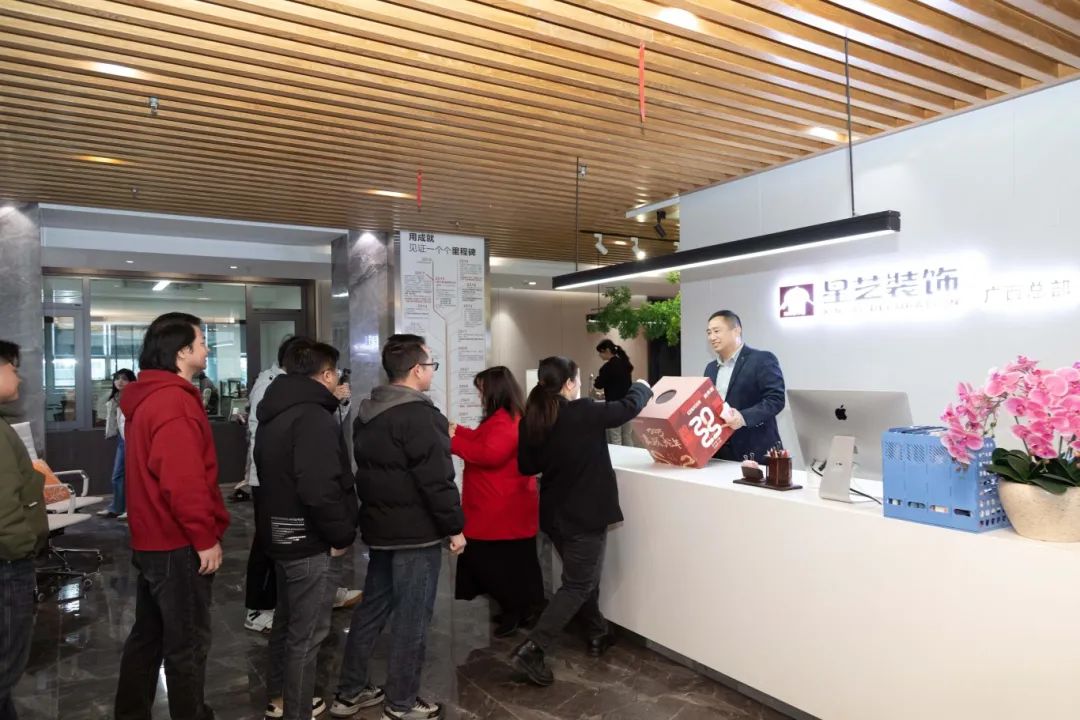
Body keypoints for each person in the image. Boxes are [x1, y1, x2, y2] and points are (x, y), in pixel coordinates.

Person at [330, 334, 465, 720]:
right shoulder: (421, 416)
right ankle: (401, 703)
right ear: (417, 370)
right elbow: (437, 480)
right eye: (430, 365)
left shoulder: (368, 411)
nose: (432, 372)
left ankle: (350, 692)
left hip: (381, 529)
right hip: (416, 535)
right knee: (412, 618)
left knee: (372, 609)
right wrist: (454, 527)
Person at [114, 312, 230, 720]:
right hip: (176, 542)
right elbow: (182, 481)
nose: (207, 349)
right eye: (201, 342)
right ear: (182, 352)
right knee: (188, 644)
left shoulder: (148, 396)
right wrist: (204, 537)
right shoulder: (173, 401)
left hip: (151, 539)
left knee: (148, 636)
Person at [509, 356, 652, 687]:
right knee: (578, 584)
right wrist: (642, 388)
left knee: (583, 579)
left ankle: (597, 632)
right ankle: (533, 648)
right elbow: (627, 408)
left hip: (554, 516)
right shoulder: (582, 411)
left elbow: (527, 467)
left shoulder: (532, 419)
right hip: (584, 516)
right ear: (569, 383)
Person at [255, 339, 359, 720]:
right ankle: (297, 710)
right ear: (327, 374)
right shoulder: (313, 416)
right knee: (307, 638)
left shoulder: (274, 411)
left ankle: (279, 699)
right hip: (310, 542)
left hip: (281, 536)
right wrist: (340, 535)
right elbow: (319, 488)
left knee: (286, 627)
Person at [239, 335, 361, 635]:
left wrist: (333, 400)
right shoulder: (274, 390)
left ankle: (315, 593)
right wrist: (342, 534)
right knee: (271, 548)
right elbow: (318, 486)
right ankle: (259, 607)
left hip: (287, 477)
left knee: (290, 555)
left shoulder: (297, 398)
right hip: (275, 480)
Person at [449, 366, 543, 638]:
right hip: (498, 506)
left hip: (501, 509)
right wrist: (458, 431)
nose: (479, 396)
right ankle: (517, 609)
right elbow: (482, 441)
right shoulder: (504, 417)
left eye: (482, 390)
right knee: (506, 565)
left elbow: (488, 453)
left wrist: (453, 442)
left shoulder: (508, 420)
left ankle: (515, 611)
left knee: (497, 566)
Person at [0, 340, 48, 720]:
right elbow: (4, 506)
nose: (18, 377)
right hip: (7, 563)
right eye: (12, 368)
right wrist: (24, 547)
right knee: (5, 666)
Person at [702, 310, 786, 462]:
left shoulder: (762, 360)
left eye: (716, 331)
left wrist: (743, 417)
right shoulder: (710, 368)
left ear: (736, 330)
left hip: (755, 450)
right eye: (709, 333)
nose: (712, 337)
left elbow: (776, 399)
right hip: (719, 452)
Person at [98, 368, 136, 520]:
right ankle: (117, 508)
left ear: (131, 382)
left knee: (133, 477)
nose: (120, 381)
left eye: (124, 379)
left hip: (134, 440)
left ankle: (133, 509)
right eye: (117, 378)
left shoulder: (135, 398)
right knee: (117, 475)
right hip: (122, 439)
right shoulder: (115, 398)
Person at [593, 339, 635, 446]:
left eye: (600, 352)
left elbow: (598, 385)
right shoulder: (625, 364)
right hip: (628, 404)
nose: (599, 355)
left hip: (614, 406)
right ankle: (630, 456)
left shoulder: (607, 367)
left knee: (615, 437)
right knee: (627, 435)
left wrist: (597, 380)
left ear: (607, 350)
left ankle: (617, 457)